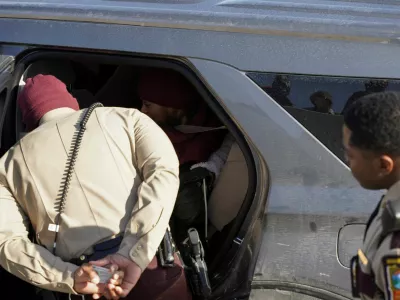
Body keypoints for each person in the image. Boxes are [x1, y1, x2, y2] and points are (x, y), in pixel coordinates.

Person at [0, 75, 184, 300]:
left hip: (92, 282)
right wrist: (134, 252)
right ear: (71, 101)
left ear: (29, 119)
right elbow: (162, 174)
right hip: (154, 267)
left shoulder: (7, 165)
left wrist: (69, 277)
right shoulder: (127, 117)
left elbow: (7, 242)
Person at [138, 68, 227, 244]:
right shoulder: (147, 131)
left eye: (148, 105)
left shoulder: (214, 135)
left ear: (174, 106)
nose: (141, 111)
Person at [343, 91, 400, 300]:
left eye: (350, 155)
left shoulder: (396, 246)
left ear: (384, 165)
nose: (348, 163)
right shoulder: (391, 203)